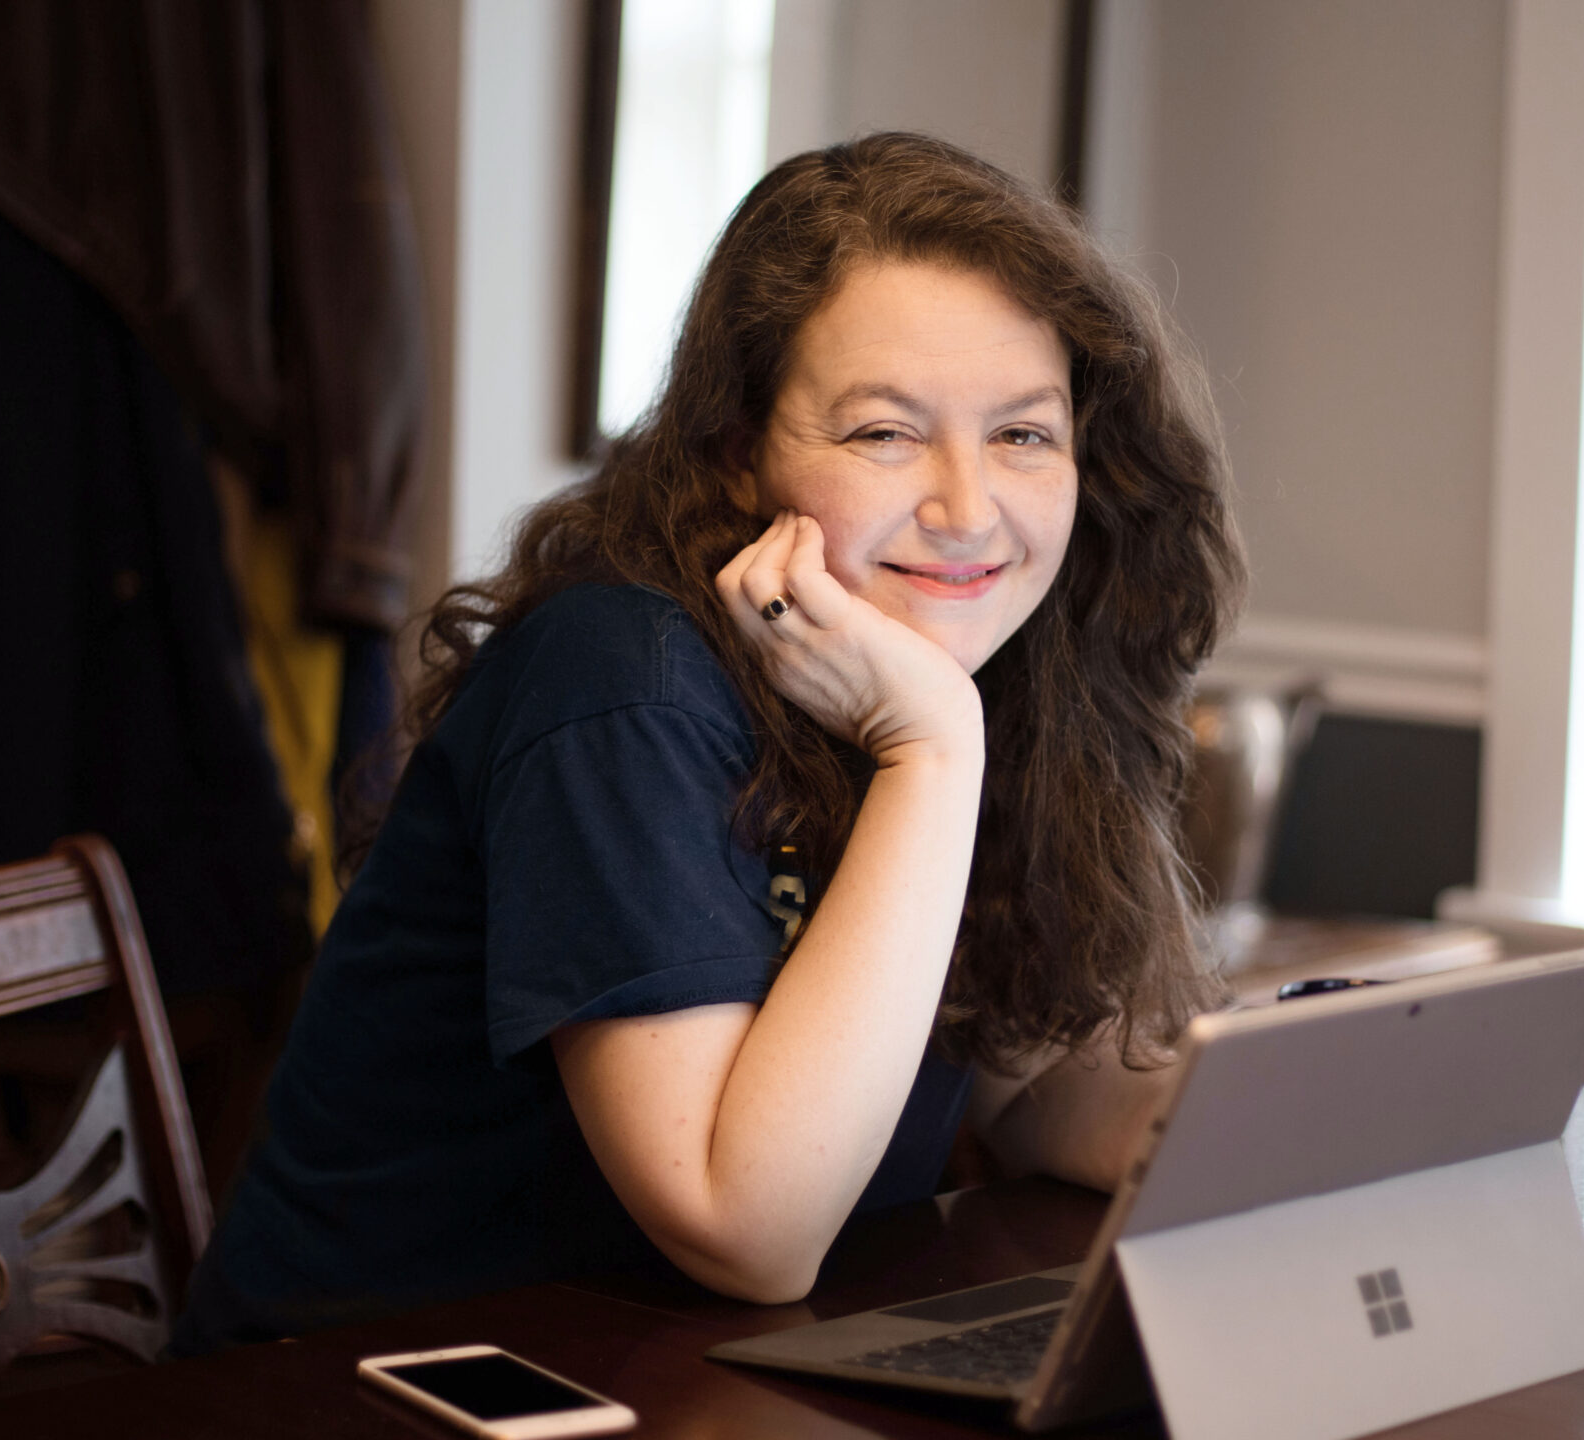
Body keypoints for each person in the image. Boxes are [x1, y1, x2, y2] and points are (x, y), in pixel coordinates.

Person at [170, 132, 1242, 1352]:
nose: (965, 509)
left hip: (699, 1387)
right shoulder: (627, 683)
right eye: (885, 433)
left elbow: (1029, 1083)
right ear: (739, 453)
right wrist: (933, 752)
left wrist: (1295, 1117)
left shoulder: (950, 667)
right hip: (358, 1398)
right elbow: (747, 1230)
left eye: (1023, 434)